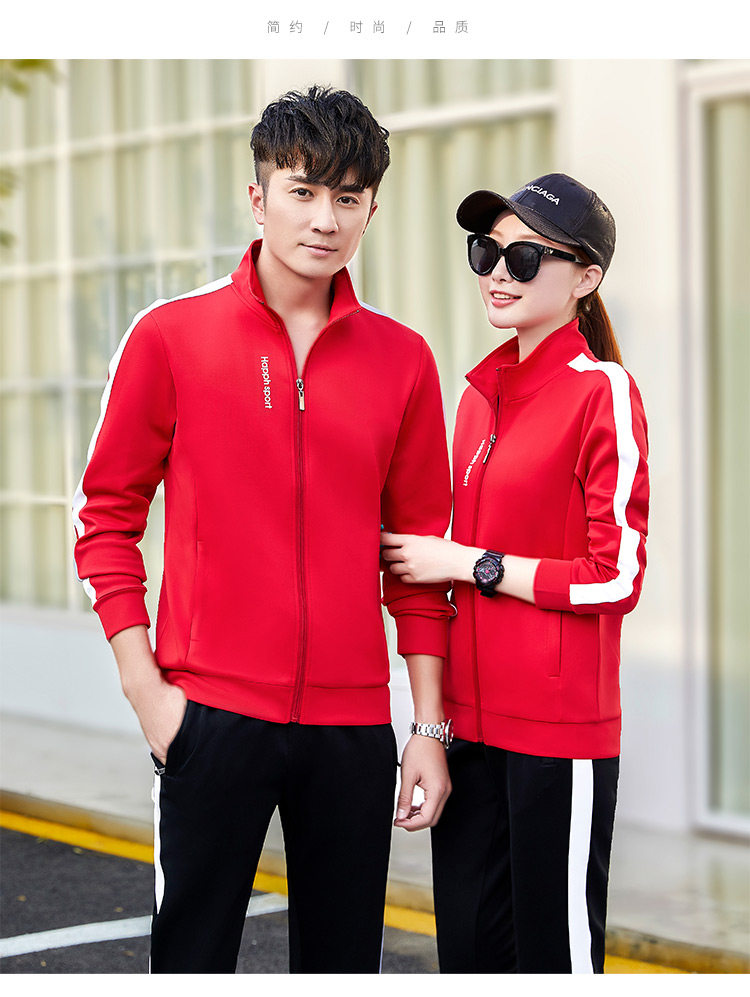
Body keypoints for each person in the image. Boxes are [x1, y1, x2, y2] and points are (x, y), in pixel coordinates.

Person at [72, 85, 453, 974]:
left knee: (342, 966)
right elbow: (105, 518)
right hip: (209, 715)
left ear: (370, 211)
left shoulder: (403, 360)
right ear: (259, 196)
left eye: (347, 197)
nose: (324, 218)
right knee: (192, 962)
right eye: (302, 189)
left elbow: (418, 559)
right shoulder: (171, 336)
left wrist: (426, 728)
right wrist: (146, 689)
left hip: (352, 728)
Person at [382, 173, 649, 973]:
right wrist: (431, 727)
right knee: (467, 958)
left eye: (525, 257)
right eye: (487, 252)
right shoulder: (476, 399)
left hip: (557, 739)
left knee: (554, 961)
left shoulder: (603, 392)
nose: (499, 273)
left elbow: (617, 576)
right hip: (468, 731)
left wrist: (471, 563)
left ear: (585, 277)